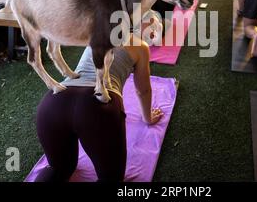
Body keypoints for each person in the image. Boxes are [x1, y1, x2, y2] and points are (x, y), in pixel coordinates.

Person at [34, 34, 164, 182]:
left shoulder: (95, 33)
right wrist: (148, 118)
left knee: (59, 168)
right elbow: (143, 91)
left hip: (54, 102)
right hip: (97, 108)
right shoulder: (140, 46)